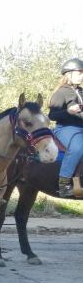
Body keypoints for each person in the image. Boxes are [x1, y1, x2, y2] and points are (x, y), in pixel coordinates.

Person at [48, 58, 83, 197]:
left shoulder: (81, 92)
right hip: (66, 128)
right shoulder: (61, 92)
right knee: (77, 148)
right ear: (69, 74)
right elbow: (52, 115)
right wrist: (68, 111)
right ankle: (64, 185)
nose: (82, 75)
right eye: (79, 72)